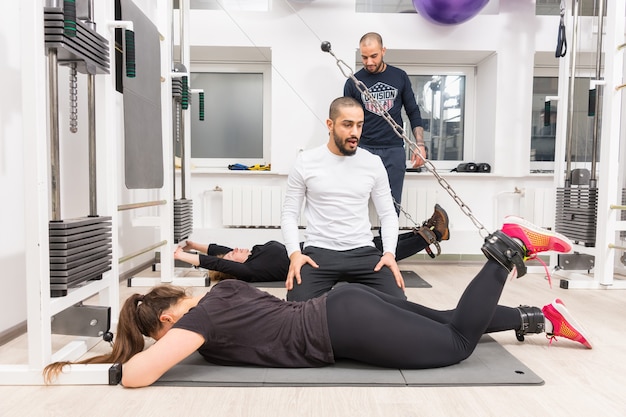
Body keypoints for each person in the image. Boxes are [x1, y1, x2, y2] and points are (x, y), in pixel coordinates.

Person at [43, 216, 592, 388]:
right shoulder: (222, 290)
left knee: (455, 342)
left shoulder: (199, 322)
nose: (173, 345)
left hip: (342, 324)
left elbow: (139, 377)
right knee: (449, 319)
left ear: (167, 319)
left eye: (164, 334)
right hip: (345, 306)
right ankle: (537, 318)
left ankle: (504, 251)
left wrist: (120, 363)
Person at [281, 96, 408, 302]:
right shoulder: (306, 162)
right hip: (318, 252)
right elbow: (289, 214)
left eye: (359, 125)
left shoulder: (372, 163)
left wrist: (389, 254)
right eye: (347, 125)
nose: (354, 133)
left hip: (363, 252)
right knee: (296, 311)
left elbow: (388, 214)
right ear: (330, 125)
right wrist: (295, 254)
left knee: (398, 306)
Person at [174, 204, 450, 283]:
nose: (235, 249)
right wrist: (177, 256)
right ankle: (434, 234)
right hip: (322, 261)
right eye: (231, 254)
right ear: (227, 266)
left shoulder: (249, 256)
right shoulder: (250, 271)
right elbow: (212, 260)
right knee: (375, 251)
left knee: (373, 242)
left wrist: (189, 242)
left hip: (320, 243)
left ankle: (428, 232)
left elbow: (213, 251)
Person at [343, 32, 426, 211]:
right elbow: (347, 121)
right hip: (363, 148)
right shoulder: (353, 82)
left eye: (374, 56)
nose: (369, 62)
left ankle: (388, 240)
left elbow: (413, 111)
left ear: (383, 51)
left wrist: (419, 144)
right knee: (354, 204)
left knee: (391, 206)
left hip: (393, 149)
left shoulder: (399, 76)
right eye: (364, 57)